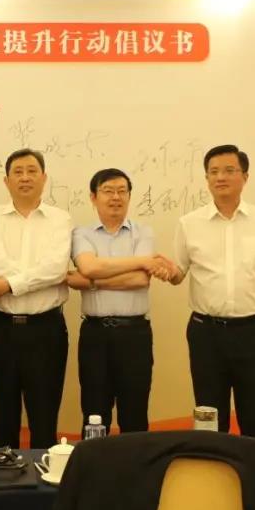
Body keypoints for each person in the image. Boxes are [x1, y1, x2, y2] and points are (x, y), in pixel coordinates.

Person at [167, 144, 255, 439]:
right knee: (209, 419)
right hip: (206, 334)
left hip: (254, 333)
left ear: (245, 176)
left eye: (229, 170)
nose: (220, 177)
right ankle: (213, 468)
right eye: (213, 172)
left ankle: (253, 469)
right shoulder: (189, 224)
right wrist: (166, 271)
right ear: (206, 179)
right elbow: (178, 274)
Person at [0, 149, 73, 449]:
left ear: (44, 178)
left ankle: (43, 478)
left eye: (32, 171)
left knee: (44, 419)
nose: (25, 177)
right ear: (6, 181)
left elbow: (56, 268)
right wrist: (32, 277)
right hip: (0, 329)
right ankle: (3, 476)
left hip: (46, 330)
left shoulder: (60, 219)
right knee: (2, 418)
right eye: (17, 172)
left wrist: (8, 283)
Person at [68, 168, 170, 435]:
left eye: (122, 191)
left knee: (134, 412)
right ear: (93, 197)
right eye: (108, 191)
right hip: (95, 334)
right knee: (94, 411)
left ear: (129, 196)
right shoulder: (82, 234)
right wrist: (141, 261)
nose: (116, 197)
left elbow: (140, 280)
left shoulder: (143, 233)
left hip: (135, 334)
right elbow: (88, 267)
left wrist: (91, 281)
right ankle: (95, 463)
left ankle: (136, 463)